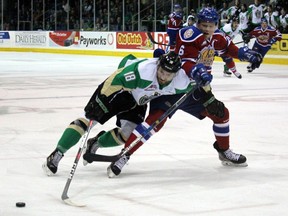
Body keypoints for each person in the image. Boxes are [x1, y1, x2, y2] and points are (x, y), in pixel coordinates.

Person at [85, 7, 263, 178]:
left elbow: (233, 50)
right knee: (154, 123)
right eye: (204, 25)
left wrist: (250, 55)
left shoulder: (218, 37)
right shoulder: (190, 34)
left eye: (211, 25)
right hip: (172, 87)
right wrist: (196, 71)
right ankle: (124, 155)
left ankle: (224, 151)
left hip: (197, 89)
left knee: (221, 114)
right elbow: (185, 62)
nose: (207, 29)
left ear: (216, 25)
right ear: (198, 24)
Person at [42, 51, 211, 176]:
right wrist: (102, 97)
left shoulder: (180, 81)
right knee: (88, 121)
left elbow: (199, 82)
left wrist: (206, 85)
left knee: (127, 135)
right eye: (161, 71)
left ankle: (96, 142)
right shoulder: (144, 71)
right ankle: (57, 154)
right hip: (119, 91)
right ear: (158, 65)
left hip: (137, 100)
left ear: (175, 74)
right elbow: (117, 78)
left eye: (168, 74)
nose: (163, 76)